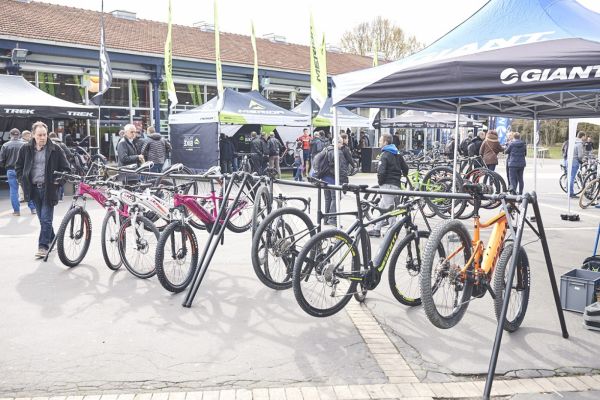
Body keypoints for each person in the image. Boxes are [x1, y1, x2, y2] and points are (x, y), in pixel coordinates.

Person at [15, 121, 70, 258]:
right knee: (42, 219)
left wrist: (58, 183)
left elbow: (66, 169)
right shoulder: (25, 149)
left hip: (49, 189)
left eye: (44, 135)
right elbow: (18, 167)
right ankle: (52, 239)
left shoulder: (55, 149)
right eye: (39, 135)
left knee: (46, 219)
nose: (42, 137)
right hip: (33, 189)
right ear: (33, 135)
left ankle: (43, 246)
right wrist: (23, 181)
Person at [368, 133, 409, 238]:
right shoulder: (397, 153)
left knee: (389, 209)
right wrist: (403, 174)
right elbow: (406, 169)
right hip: (396, 185)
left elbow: (381, 172)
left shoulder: (385, 154)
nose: (379, 142)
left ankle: (392, 231)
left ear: (385, 142)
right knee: (382, 207)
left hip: (387, 185)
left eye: (380, 140)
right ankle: (377, 229)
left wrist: (380, 183)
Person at [0, 128, 32, 216]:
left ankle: (16, 211)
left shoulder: (5, 145)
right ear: (19, 135)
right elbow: (30, 158)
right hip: (23, 170)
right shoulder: (25, 144)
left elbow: (1, 160)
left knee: (13, 191)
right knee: (27, 188)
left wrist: (5, 165)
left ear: (10, 135)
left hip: (10, 170)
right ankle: (33, 208)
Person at [48, 132, 73, 201]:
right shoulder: (62, 144)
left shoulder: (48, 144)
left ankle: (56, 196)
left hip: (53, 165)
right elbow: (69, 154)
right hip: (62, 164)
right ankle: (60, 196)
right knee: (61, 178)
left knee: (54, 180)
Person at [570, 132, 586, 198]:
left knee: (570, 176)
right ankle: (571, 193)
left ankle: (569, 191)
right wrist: (583, 160)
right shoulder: (579, 144)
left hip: (570, 160)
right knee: (572, 177)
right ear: (582, 136)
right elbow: (580, 156)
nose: (585, 138)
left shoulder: (573, 142)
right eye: (585, 136)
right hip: (575, 161)